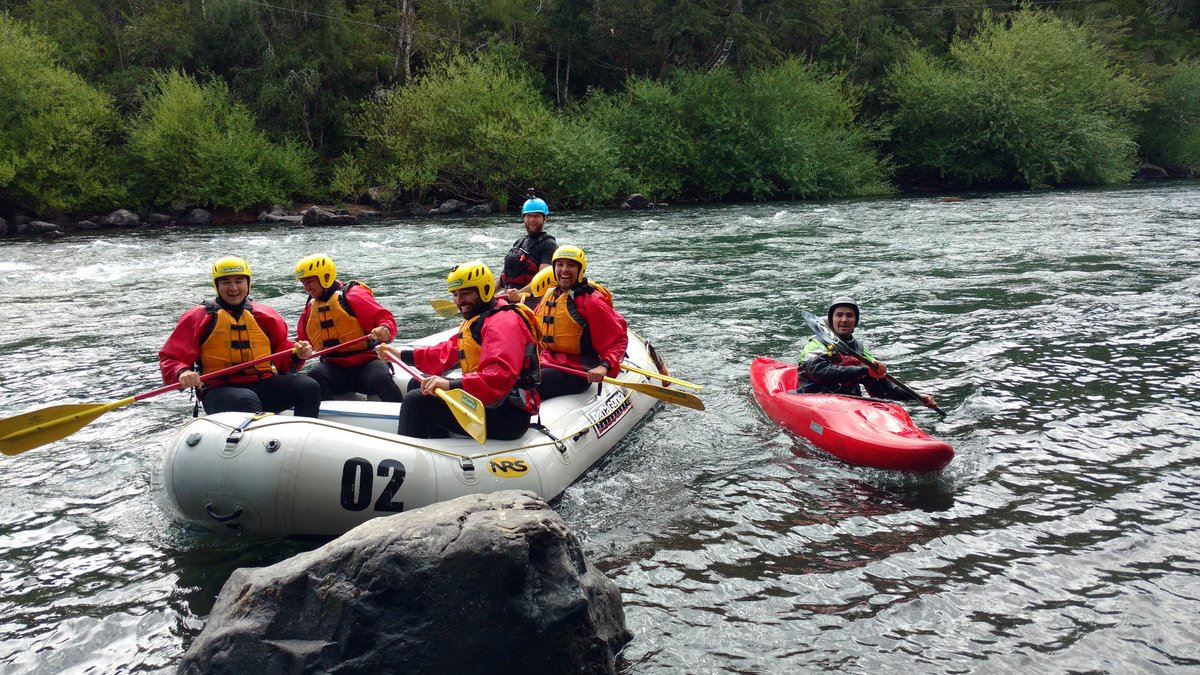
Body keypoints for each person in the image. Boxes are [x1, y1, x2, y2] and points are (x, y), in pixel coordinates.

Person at [391, 261, 541, 440]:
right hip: (489, 401)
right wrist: (399, 355)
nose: (459, 300)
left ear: (484, 290)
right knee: (420, 384)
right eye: (455, 294)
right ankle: (438, 444)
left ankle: (410, 461)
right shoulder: (481, 317)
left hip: (507, 413)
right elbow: (447, 351)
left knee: (416, 401)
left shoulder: (502, 322)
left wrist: (450, 385)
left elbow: (499, 376)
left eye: (466, 293)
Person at [159, 256, 321, 417]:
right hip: (219, 391)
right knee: (245, 399)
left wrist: (298, 354)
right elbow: (171, 358)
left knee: (308, 386)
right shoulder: (198, 317)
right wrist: (182, 372)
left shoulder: (266, 316)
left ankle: (306, 436)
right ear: (217, 286)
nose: (233, 287)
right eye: (226, 282)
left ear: (248, 284)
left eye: (239, 281)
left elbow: (284, 362)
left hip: (263, 385)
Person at [294, 254, 403, 402]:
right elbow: (301, 341)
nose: (307, 288)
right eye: (303, 283)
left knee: (380, 377)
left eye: (310, 281)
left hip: (367, 364)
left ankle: (402, 412)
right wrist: (302, 350)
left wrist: (385, 329)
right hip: (334, 368)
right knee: (315, 375)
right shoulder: (310, 307)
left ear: (325, 276)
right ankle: (329, 419)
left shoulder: (352, 294)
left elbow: (385, 319)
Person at [797, 296, 937, 408]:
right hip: (815, 401)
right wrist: (864, 371)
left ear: (855, 321)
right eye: (839, 315)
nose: (844, 320)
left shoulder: (860, 350)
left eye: (849, 316)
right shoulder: (815, 344)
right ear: (831, 320)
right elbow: (820, 371)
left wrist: (917, 397)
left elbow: (885, 388)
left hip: (848, 403)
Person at [533, 245, 628, 399]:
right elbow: (532, 329)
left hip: (576, 371)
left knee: (525, 385)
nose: (564, 270)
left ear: (580, 270)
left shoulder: (591, 300)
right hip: (547, 362)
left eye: (570, 265)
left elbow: (618, 340)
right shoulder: (551, 294)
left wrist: (604, 367)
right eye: (560, 264)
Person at [500, 196, 557, 303]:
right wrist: (487, 295)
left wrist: (519, 293)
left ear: (545, 218)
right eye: (528, 216)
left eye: (536, 216)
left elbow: (543, 280)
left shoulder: (549, 244)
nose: (532, 220)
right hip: (510, 296)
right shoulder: (519, 242)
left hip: (531, 299)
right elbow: (504, 276)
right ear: (523, 217)